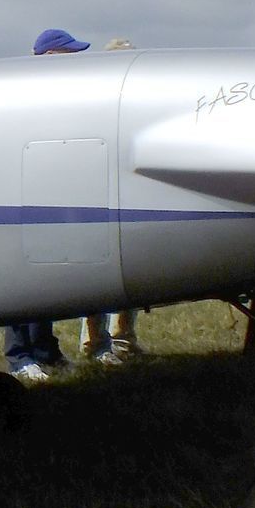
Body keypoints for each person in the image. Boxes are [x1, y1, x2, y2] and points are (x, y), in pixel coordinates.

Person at [3, 27, 90, 382]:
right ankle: (19, 357)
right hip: (24, 198)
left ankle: (46, 350)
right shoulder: (25, 97)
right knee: (21, 281)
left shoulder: (64, 99)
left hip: (54, 197)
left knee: (48, 279)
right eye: (70, 54)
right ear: (52, 58)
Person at [83, 38, 145, 367]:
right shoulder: (97, 105)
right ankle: (96, 339)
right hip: (101, 198)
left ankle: (124, 336)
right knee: (101, 275)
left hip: (127, 197)